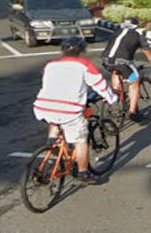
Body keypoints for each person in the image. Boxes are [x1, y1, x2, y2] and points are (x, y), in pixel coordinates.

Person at [34, 37, 118, 184]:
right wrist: (112, 99)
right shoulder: (84, 65)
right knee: (80, 141)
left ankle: (52, 146)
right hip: (69, 110)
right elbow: (100, 85)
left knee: (55, 121)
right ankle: (83, 172)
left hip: (43, 106)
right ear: (82, 51)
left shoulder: (50, 65)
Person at [101, 16, 151, 123]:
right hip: (123, 63)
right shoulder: (138, 36)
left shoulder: (115, 33)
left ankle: (117, 94)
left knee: (116, 70)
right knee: (135, 81)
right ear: (135, 26)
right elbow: (148, 53)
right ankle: (133, 112)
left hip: (106, 61)